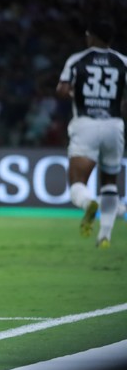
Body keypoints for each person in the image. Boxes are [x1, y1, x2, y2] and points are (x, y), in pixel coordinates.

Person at [56, 20, 127, 248]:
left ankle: (88, 204)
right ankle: (104, 236)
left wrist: (77, 94)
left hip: (86, 124)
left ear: (92, 36)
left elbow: (62, 90)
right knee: (110, 183)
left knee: (78, 183)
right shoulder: (123, 61)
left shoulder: (77, 60)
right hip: (114, 125)